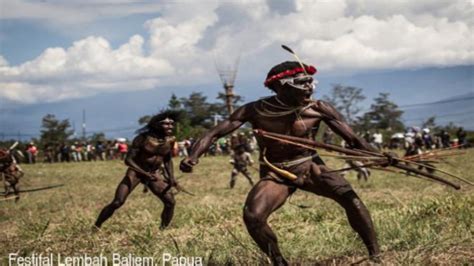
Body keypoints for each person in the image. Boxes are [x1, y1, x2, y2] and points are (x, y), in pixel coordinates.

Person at [180, 61, 389, 264]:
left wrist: (377, 155)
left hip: (310, 166)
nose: (309, 89)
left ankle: (375, 255)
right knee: (253, 217)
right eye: (302, 83)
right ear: (281, 86)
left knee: (352, 200)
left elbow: (354, 140)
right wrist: (193, 156)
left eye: (311, 82)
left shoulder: (319, 108)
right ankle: (279, 262)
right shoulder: (255, 110)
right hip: (276, 172)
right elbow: (214, 134)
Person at [94, 111, 178, 229]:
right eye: (166, 124)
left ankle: (163, 230)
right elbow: (128, 160)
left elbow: (168, 160)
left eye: (171, 124)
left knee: (170, 202)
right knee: (118, 202)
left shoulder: (170, 140)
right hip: (136, 172)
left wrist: (171, 177)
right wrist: (144, 174)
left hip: (154, 174)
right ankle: (97, 226)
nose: (170, 126)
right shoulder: (142, 138)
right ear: (156, 124)